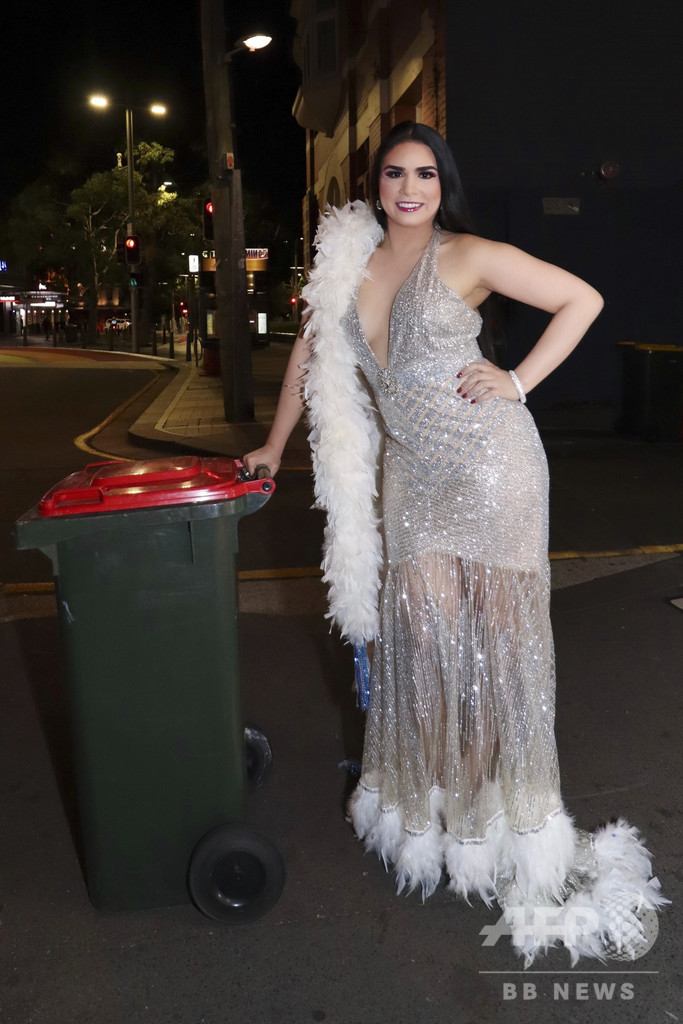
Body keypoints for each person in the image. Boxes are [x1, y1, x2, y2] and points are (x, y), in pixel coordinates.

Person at [244, 122, 667, 962]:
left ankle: (486, 822)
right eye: (394, 173)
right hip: (411, 481)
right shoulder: (348, 268)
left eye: (425, 174)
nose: (409, 188)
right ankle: (435, 806)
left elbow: (581, 300)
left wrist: (516, 380)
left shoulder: (467, 254)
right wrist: (272, 443)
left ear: (443, 186)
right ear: (374, 184)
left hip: (490, 465)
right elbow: (308, 354)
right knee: (427, 641)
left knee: (495, 650)